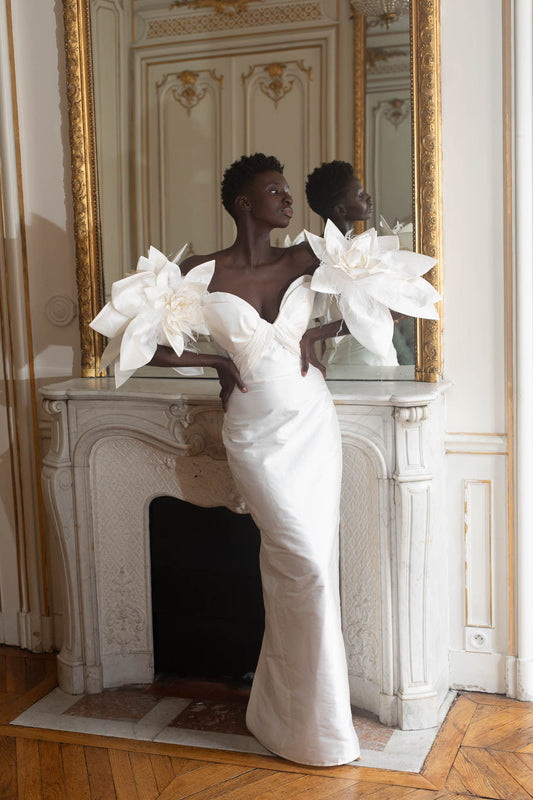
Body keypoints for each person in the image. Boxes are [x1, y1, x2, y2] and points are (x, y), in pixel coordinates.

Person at [149, 153, 361, 766]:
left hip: (312, 427)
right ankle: (291, 718)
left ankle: (297, 722)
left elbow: (382, 301)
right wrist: (216, 362)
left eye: (289, 191)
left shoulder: (307, 257)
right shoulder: (199, 272)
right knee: (299, 561)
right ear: (245, 203)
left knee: (311, 567)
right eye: (275, 191)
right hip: (255, 436)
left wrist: (313, 338)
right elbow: (143, 343)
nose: (288, 201)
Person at [305, 160, 400, 367]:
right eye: (359, 195)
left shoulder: (369, 248)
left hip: (381, 355)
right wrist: (312, 335)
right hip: (358, 360)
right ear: (341, 209)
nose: (368, 197)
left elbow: (398, 308)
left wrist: (314, 335)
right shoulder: (313, 254)